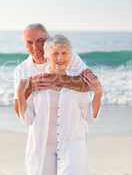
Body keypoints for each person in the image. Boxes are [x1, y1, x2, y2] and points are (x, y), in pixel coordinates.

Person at [16, 35, 102, 175]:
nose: (60, 58)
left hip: (72, 147)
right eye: (55, 53)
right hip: (43, 148)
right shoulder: (36, 81)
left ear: (70, 55)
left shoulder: (79, 83)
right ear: (47, 55)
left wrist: (98, 93)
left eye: (64, 53)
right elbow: (27, 120)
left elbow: (90, 117)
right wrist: (21, 94)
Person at [14, 23, 102, 119]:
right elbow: (18, 111)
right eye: (29, 42)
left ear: (49, 39)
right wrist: (28, 89)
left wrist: (54, 79)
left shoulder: (67, 57)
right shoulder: (21, 70)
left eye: (40, 41)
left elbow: (91, 83)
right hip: (40, 127)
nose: (35, 47)